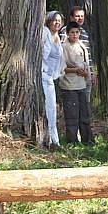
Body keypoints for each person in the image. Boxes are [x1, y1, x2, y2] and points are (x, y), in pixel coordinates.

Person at [60, 20, 94, 144]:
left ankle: (87, 139)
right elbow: (62, 68)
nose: (75, 35)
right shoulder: (64, 47)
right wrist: (75, 70)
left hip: (82, 84)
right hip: (69, 85)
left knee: (84, 114)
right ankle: (72, 141)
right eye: (72, 32)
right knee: (72, 116)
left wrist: (87, 75)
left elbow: (86, 64)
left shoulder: (81, 46)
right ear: (67, 34)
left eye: (77, 32)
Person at [60, 6, 95, 105]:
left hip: (85, 75)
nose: (80, 18)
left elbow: (87, 55)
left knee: (85, 103)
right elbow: (63, 55)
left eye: (82, 16)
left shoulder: (83, 33)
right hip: (72, 78)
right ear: (71, 18)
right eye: (77, 16)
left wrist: (91, 73)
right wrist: (76, 69)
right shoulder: (65, 32)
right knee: (73, 105)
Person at [42, 11, 66, 149]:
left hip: (50, 77)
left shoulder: (58, 37)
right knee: (49, 107)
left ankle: (54, 140)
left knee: (52, 108)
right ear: (49, 21)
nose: (57, 22)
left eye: (59, 20)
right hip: (42, 74)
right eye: (54, 20)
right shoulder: (44, 33)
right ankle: (52, 140)